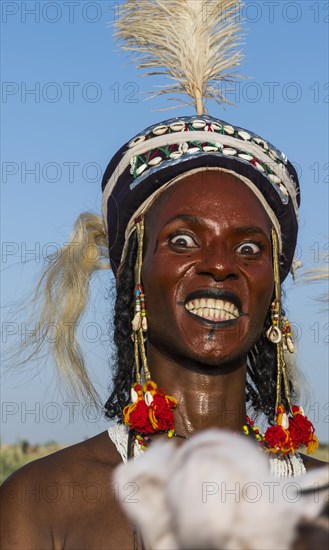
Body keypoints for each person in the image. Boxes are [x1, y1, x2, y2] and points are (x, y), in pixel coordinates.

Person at [1, 1, 327, 549]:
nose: (221, 264)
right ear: (135, 274)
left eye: (248, 247)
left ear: (273, 287)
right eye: (182, 240)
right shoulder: (44, 501)